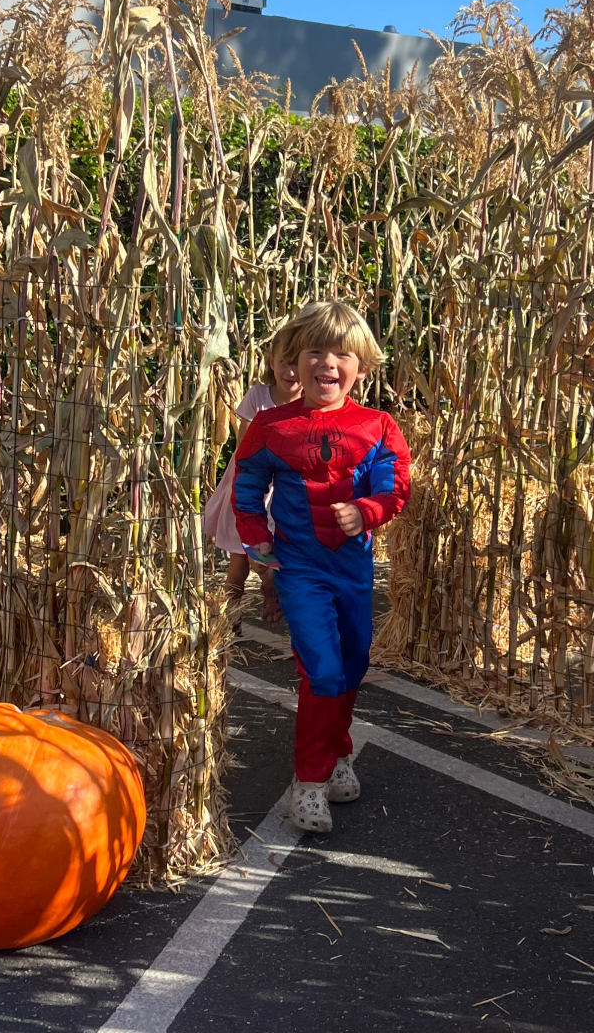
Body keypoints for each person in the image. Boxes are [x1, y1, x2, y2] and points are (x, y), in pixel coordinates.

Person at [232, 301, 411, 832]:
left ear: (360, 366)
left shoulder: (377, 426)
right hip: (301, 570)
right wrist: (259, 544)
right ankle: (307, 783)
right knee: (323, 671)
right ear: (293, 360)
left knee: (352, 666)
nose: (327, 363)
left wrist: (367, 510)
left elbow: (394, 484)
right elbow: (245, 487)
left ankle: (338, 753)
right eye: (314, 351)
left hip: (354, 570)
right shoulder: (270, 426)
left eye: (341, 353)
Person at [203, 324, 302, 625]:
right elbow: (245, 448)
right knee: (238, 563)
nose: (291, 371)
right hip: (248, 486)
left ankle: (270, 594)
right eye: (284, 362)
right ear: (272, 362)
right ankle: (228, 620)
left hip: (281, 489)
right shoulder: (258, 396)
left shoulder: (306, 406)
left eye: (298, 363)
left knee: (265, 555)